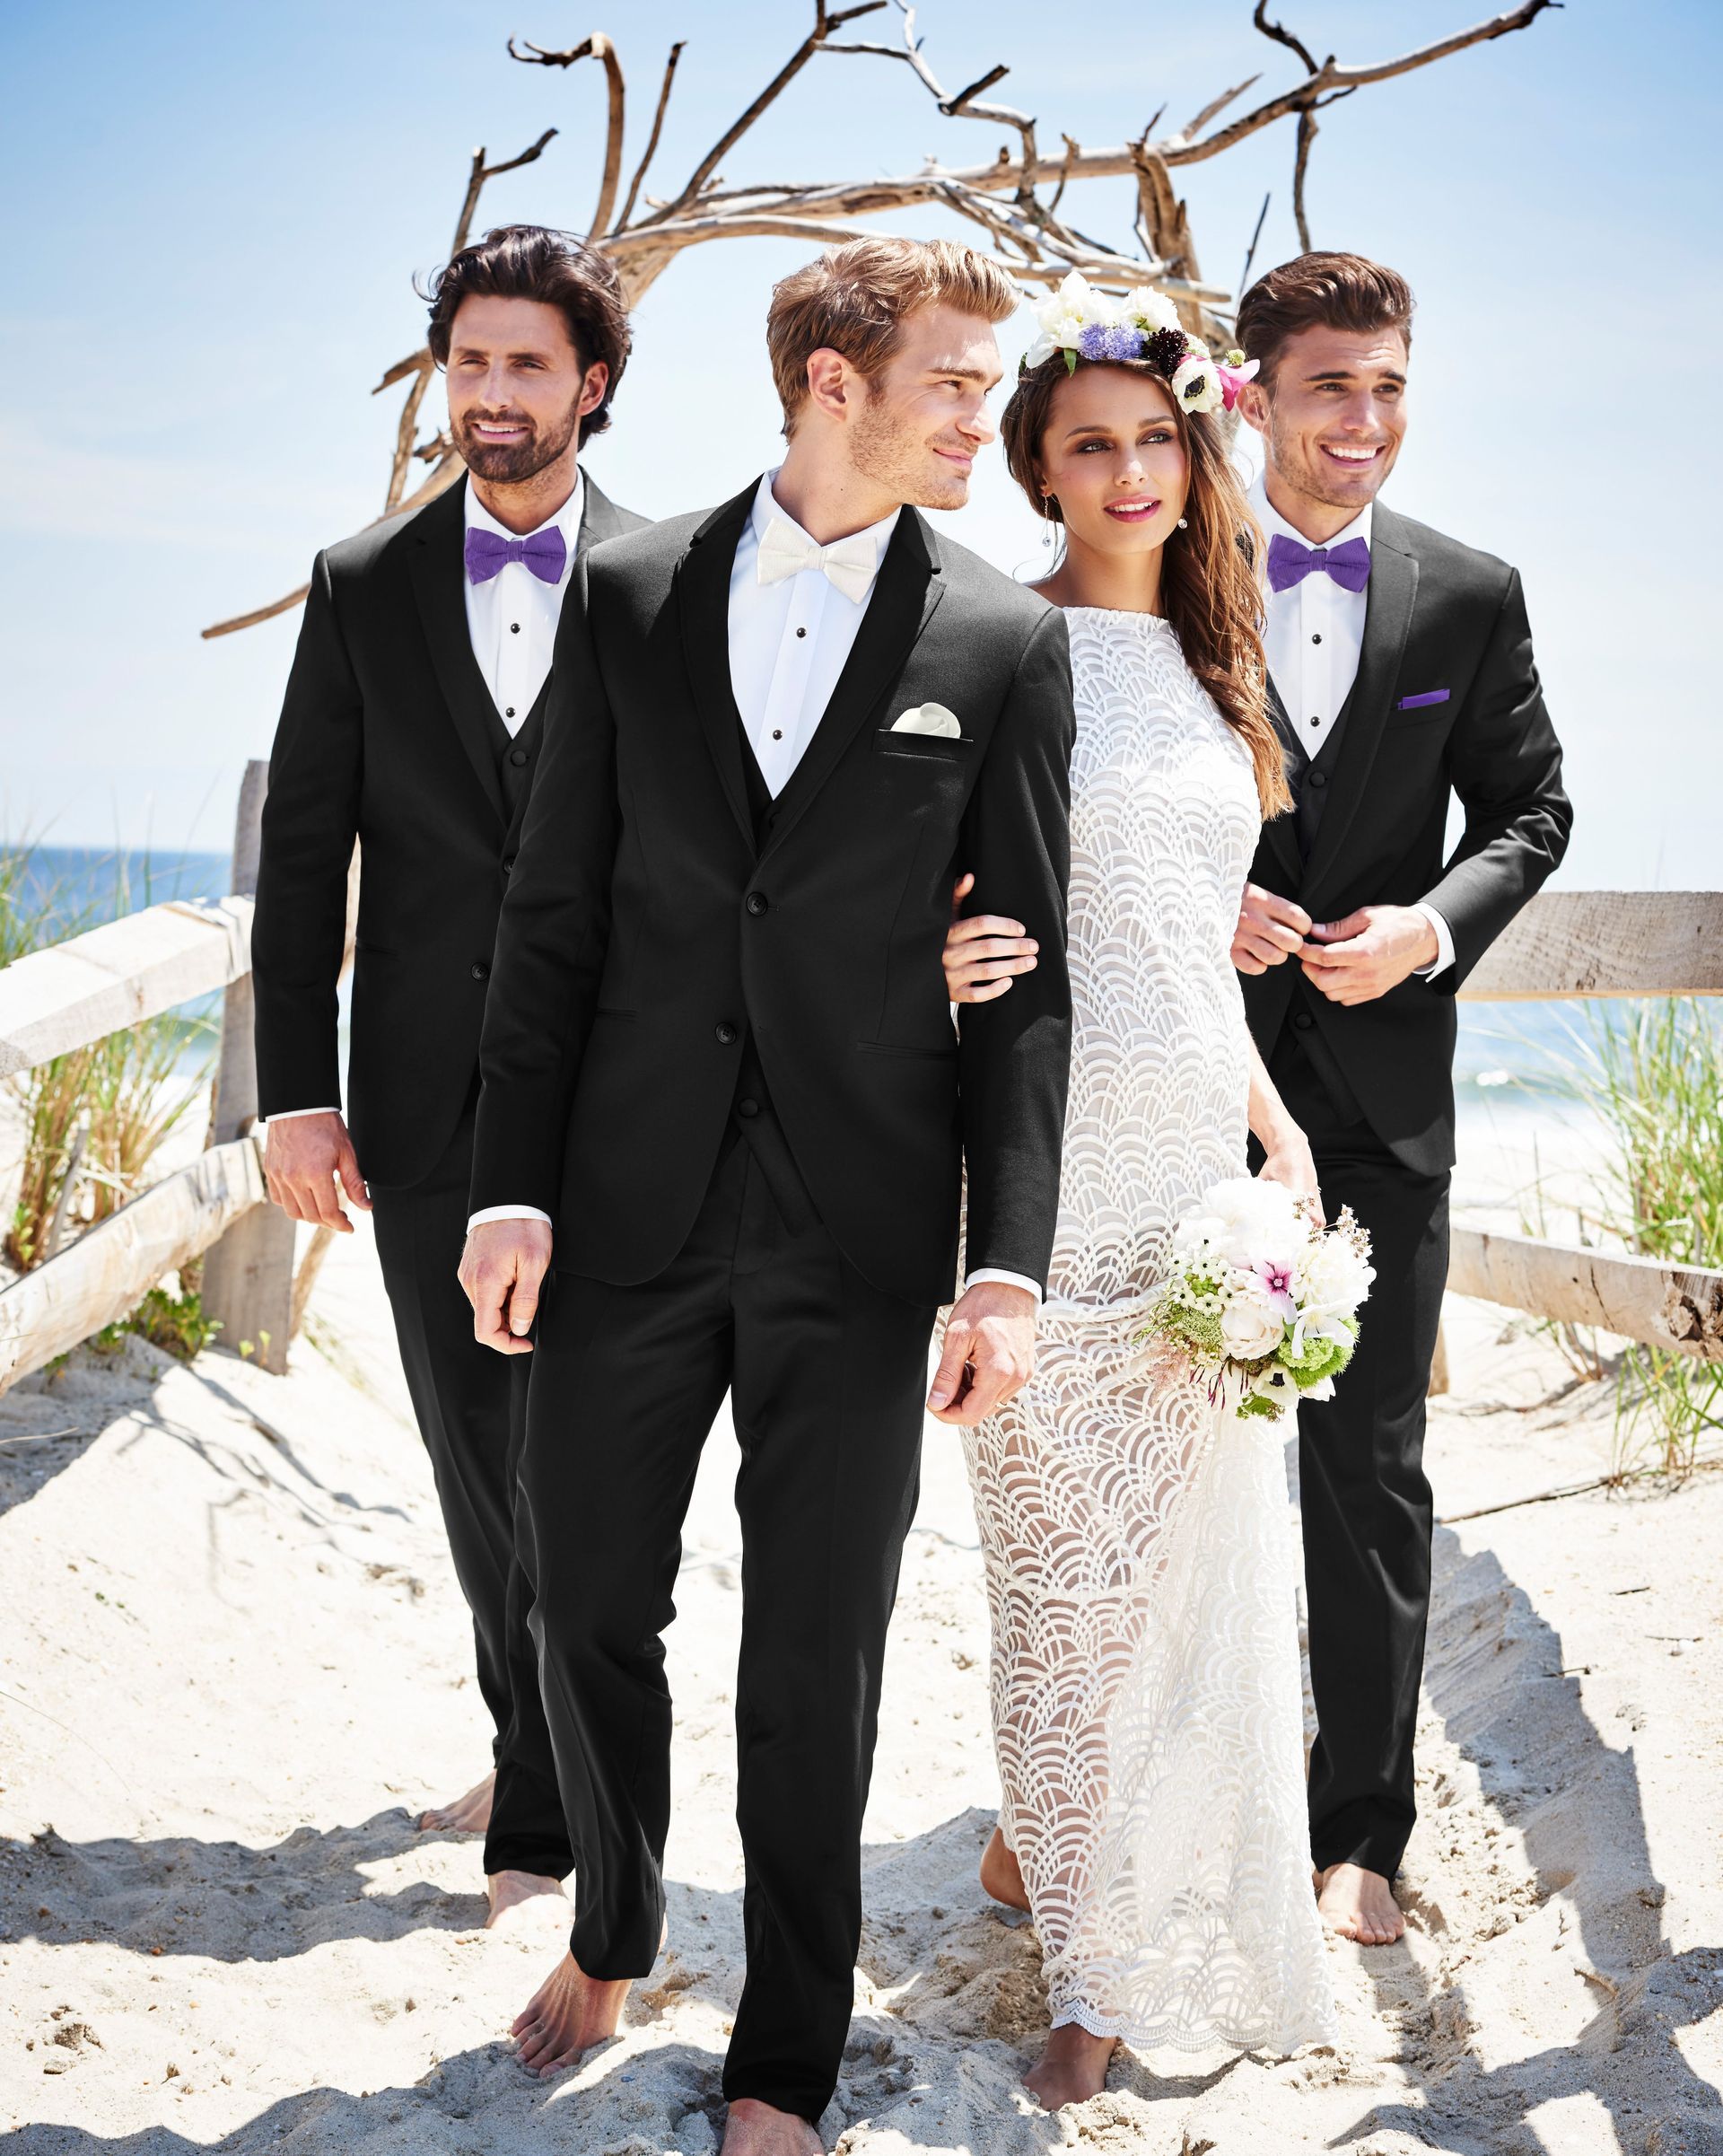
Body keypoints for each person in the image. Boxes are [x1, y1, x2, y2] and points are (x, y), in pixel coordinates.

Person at [456, 237, 1076, 2153]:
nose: (993, 416)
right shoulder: (629, 593)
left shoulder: (999, 637)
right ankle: (623, 1915)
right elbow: (550, 919)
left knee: (818, 1646)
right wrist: (508, 1190)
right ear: (834, 380)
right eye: (961, 381)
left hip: (863, 1224)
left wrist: (1007, 1270)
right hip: (628, 1204)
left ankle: (787, 2055)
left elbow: (1025, 974)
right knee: (584, 1611)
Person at [940, 281, 1337, 2108]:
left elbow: (1191, 947)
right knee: (1060, 1586)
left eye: (1151, 439)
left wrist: (1275, 1121)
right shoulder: (993, 648)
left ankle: (1063, 1871)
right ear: (1037, 464)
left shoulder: (1212, 663)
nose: (1123, 471)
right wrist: (927, 961)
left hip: (1196, 1169)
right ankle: (1087, 1978)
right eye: (1086, 442)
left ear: (1194, 459)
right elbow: (899, 886)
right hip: (1043, 1175)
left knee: (1188, 1575)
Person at [250, 225, 649, 1925]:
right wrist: (294, 1088)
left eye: (527, 366)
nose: (494, 396)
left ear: (591, 386)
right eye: (470, 363)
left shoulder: (681, 577)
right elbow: (303, 858)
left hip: (620, 1093)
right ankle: (533, 1762)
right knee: (477, 1453)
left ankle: (548, 1791)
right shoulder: (360, 583)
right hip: (416, 1096)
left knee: (583, 1449)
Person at [1228, 253, 1570, 1945]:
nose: (1364, 422)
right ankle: (1121, 1805)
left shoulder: (1468, 594)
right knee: (1164, 1470)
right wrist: (1189, 903)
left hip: (1380, 1104)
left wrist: (1432, 927)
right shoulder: (1152, 566)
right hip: (1183, 1088)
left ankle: (1359, 1830)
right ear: (1255, 398)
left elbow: (1531, 812)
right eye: (1330, 388)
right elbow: (1065, 797)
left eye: (1388, 387)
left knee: (1367, 1462)